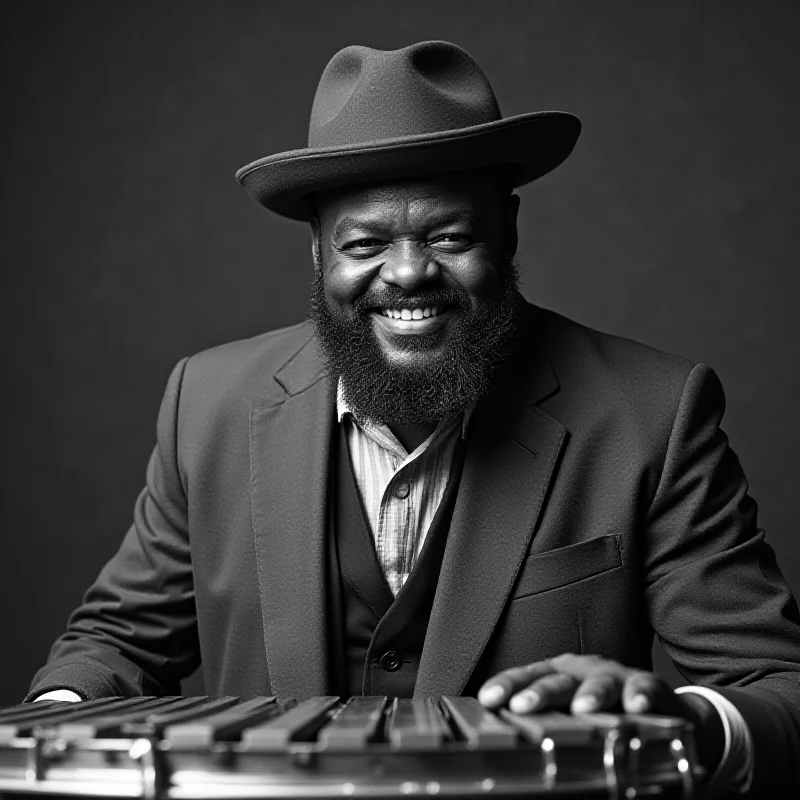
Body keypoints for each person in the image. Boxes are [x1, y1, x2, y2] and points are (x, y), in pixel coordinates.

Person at [28, 41, 800, 796]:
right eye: (364, 243)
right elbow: (117, 641)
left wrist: (682, 722)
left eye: (448, 236)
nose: (407, 274)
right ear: (317, 253)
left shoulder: (654, 412)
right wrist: (45, 730)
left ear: (508, 231)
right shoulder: (208, 402)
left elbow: (777, 686)